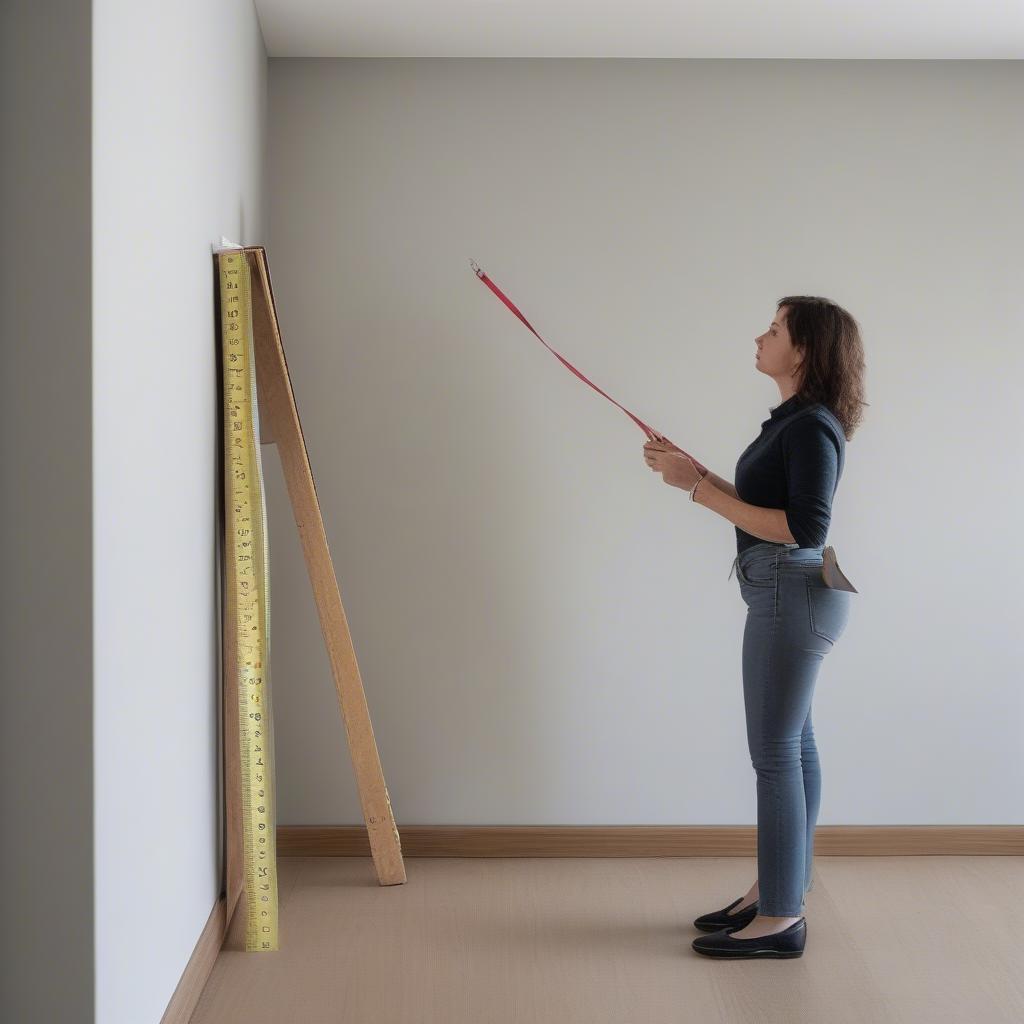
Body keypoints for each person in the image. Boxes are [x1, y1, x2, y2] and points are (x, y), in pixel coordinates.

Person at [643, 296, 867, 959]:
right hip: (789, 594)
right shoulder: (794, 423)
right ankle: (779, 887)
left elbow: (804, 528)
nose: (759, 336)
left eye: (774, 329)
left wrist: (697, 490)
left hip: (790, 593)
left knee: (774, 754)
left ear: (802, 351)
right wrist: (695, 472)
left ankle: (780, 917)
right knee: (793, 745)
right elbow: (761, 508)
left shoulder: (811, 426)